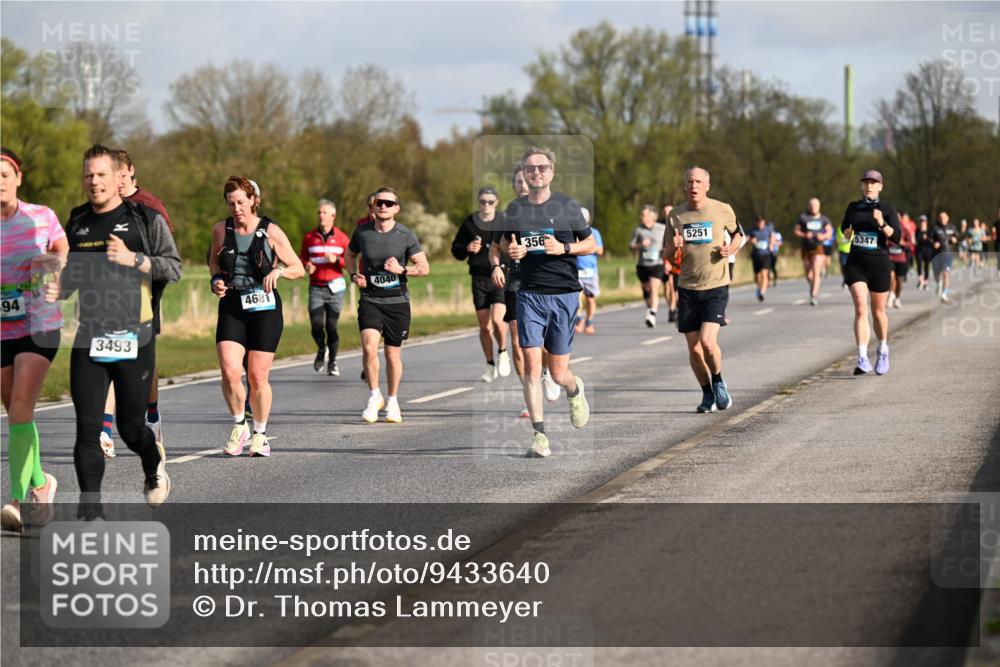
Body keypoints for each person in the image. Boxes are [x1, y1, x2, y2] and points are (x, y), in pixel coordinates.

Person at [49, 145, 182, 512]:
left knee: (130, 427)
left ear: (117, 177)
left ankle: (152, 462)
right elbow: (69, 279)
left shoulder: (143, 218)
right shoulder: (76, 222)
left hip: (133, 338)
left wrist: (134, 259)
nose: (95, 181)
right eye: (88, 175)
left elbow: (173, 267)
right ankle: (91, 511)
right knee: (88, 429)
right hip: (88, 338)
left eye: (102, 174)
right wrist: (55, 288)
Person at [497, 146, 594, 458]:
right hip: (529, 293)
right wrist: (510, 254)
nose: (535, 172)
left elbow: (590, 243)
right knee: (530, 364)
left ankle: (573, 388)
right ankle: (539, 436)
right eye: (530, 168)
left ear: (551, 172)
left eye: (541, 167)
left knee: (557, 373)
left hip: (564, 293)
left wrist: (562, 248)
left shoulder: (568, 206)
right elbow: (502, 244)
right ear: (525, 173)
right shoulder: (514, 210)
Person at [210, 176, 304, 457]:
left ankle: (260, 434)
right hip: (232, 305)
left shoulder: (271, 231)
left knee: (257, 376)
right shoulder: (219, 230)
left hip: (265, 308)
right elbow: (214, 259)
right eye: (231, 203)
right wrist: (215, 278)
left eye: (241, 202)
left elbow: (298, 267)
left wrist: (279, 272)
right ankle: (240, 426)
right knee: (229, 371)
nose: (236, 208)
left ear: (253, 200)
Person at [95, 149, 176, 459]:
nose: (116, 180)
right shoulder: (102, 205)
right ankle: (104, 429)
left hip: (145, 291)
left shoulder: (150, 207)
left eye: (121, 174)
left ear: (130, 173)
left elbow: (167, 256)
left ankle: (151, 415)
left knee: (142, 361)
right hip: (108, 295)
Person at [0, 148, 64, 532]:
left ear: (18, 178)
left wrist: (56, 269)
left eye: (4, 174)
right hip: (2, 329)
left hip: (39, 324)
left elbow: (61, 248)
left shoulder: (42, 216)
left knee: (21, 405)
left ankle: (19, 499)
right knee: (14, 411)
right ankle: (43, 483)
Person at [344, 187, 430, 423]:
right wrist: (354, 276)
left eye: (389, 203)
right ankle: (374, 396)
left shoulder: (406, 235)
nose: (383, 206)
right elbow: (349, 257)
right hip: (371, 300)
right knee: (369, 347)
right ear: (373, 206)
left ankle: (392, 401)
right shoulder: (362, 233)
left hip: (397, 302)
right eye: (379, 203)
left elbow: (424, 267)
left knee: (392, 354)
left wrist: (402, 270)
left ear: (396, 208)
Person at [662, 166, 742, 413]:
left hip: (715, 285)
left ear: (707, 185)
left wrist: (732, 249)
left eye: (698, 181)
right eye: (690, 181)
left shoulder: (722, 209)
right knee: (693, 347)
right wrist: (672, 247)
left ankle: (718, 380)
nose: (694, 185)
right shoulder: (676, 215)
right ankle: (707, 394)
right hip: (687, 286)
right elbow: (666, 253)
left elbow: (738, 234)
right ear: (685, 186)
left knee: (707, 342)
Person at [841, 170, 900, 376]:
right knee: (860, 309)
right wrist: (847, 233)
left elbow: (897, 237)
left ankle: (883, 349)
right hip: (856, 264)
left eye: (873, 183)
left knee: (878, 313)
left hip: (879, 265)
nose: (869, 186)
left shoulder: (887, 208)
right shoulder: (853, 207)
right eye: (865, 182)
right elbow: (845, 229)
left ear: (880, 186)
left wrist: (882, 223)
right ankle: (862, 357)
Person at [452, 187, 510, 382]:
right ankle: (489, 364)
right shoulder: (470, 222)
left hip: (500, 276)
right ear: (478, 202)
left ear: (497, 202)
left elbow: (513, 244)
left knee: (497, 320)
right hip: (479, 278)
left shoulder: (503, 221)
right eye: (483, 201)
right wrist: (467, 248)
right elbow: (456, 249)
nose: (486, 205)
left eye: (490, 201)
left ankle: (503, 351)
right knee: (484, 327)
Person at [490, 165, 531, 418]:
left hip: (544, 282)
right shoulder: (509, 215)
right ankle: (529, 395)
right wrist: (496, 266)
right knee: (517, 339)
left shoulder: (551, 211)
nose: (523, 185)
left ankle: (547, 372)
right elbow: (495, 247)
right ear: (515, 186)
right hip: (516, 281)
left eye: (527, 180)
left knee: (545, 344)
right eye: (518, 181)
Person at [301, 199, 350, 376]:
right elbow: (301, 259)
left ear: (333, 216)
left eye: (324, 212)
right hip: (316, 287)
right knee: (316, 326)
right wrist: (307, 266)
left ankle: (333, 362)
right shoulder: (309, 237)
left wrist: (337, 260)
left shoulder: (343, 238)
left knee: (331, 326)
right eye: (319, 212)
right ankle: (322, 349)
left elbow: (352, 262)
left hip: (336, 288)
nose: (321, 215)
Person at [629, 205, 666, 328]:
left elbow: (668, 244)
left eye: (643, 215)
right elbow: (631, 246)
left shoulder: (662, 228)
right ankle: (650, 309)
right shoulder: (638, 230)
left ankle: (652, 314)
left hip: (657, 264)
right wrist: (640, 245)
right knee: (646, 290)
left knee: (654, 289)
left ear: (651, 216)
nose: (641, 217)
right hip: (643, 265)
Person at [794, 198, 833, 306]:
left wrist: (824, 236)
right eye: (811, 205)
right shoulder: (803, 217)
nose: (813, 207)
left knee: (816, 270)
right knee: (809, 275)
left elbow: (830, 232)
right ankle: (813, 286)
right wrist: (804, 235)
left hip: (818, 247)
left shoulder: (824, 219)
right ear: (808, 206)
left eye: (815, 205)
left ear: (819, 206)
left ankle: (813, 295)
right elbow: (796, 230)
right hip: (806, 247)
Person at [574, 207, 603, 334]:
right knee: (576, 298)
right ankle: (579, 320)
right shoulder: (572, 232)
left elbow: (600, 251)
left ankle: (589, 322)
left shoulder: (594, 233)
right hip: (576, 270)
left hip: (591, 271)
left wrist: (588, 245)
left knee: (590, 299)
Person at [887, 211, 915, 309]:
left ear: (900, 218)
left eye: (897, 217)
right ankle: (890, 296)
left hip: (901, 258)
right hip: (890, 257)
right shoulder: (887, 228)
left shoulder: (904, 230)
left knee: (899, 281)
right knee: (891, 277)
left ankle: (897, 298)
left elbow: (910, 243)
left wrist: (903, 243)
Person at [931, 211, 959, 303]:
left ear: (948, 218)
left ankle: (944, 293)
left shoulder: (952, 227)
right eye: (941, 217)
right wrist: (934, 243)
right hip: (937, 254)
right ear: (938, 219)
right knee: (936, 274)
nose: (943, 219)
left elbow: (957, 236)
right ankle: (938, 283)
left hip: (947, 253)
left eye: (944, 217)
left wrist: (955, 239)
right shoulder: (935, 228)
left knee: (946, 273)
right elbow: (929, 238)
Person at [748, 216, 774, 301]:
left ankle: (762, 293)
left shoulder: (768, 229)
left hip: (765, 254)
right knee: (757, 276)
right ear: (756, 223)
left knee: (764, 273)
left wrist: (771, 244)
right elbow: (748, 239)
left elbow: (773, 237)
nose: (760, 225)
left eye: (762, 223)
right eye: (759, 223)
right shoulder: (753, 230)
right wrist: (751, 240)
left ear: (764, 223)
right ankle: (759, 288)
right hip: (756, 255)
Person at [914, 215, 934, 290]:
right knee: (919, 265)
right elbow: (916, 240)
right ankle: (920, 281)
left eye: (924, 221)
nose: (922, 223)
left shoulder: (929, 230)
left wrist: (927, 238)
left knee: (926, 266)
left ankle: (926, 282)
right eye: (921, 221)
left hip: (928, 250)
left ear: (926, 222)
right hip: (919, 250)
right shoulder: (917, 230)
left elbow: (932, 241)